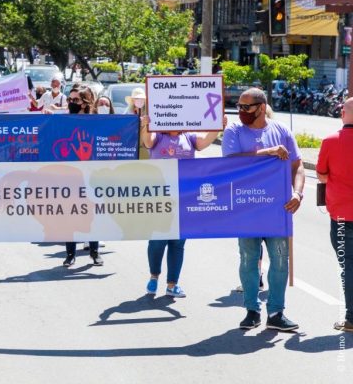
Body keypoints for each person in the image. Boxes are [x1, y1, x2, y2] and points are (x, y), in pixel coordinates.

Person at [222, 87, 305, 331]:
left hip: (277, 209)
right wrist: (268, 152)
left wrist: (298, 193)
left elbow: (297, 166)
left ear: (261, 107)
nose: (241, 111)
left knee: (280, 260)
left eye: (246, 107)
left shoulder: (281, 131)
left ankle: (277, 313)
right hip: (246, 208)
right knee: (249, 259)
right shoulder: (234, 131)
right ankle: (252, 310)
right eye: (238, 106)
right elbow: (230, 161)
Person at [141, 114, 227, 298]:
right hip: (160, 198)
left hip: (184, 198)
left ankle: (172, 284)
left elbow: (205, 141)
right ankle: (154, 277)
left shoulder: (189, 136)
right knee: (157, 241)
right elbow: (148, 142)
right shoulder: (159, 136)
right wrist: (145, 125)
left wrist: (218, 125)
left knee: (178, 243)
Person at [316, 97, 353, 332]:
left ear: (343, 114)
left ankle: (351, 317)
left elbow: (321, 174)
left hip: (341, 215)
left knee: (348, 266)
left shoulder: (330, 141)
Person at [63, 88, 103, 267]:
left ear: (85, 102)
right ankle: (70, 254)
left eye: (76, 100)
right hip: (69, 175)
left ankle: (94, 252)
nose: (71, 102)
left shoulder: (96, 122)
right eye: (70, 99)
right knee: (69, 216)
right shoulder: (62, 120)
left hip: (91, 175)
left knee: (91, 215)